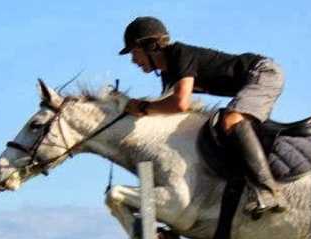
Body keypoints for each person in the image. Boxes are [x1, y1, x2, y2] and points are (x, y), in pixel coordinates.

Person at [119, 16, 287, 217]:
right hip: (253, 79)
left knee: (231, 120)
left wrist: (143, 106)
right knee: (224, 128)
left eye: (135, 52)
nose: (133, 60)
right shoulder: (168, 73)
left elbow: (180, 104)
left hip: (263, 72)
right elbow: (165, 113)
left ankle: (268, 190)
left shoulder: (179, 54)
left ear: (151, 46)